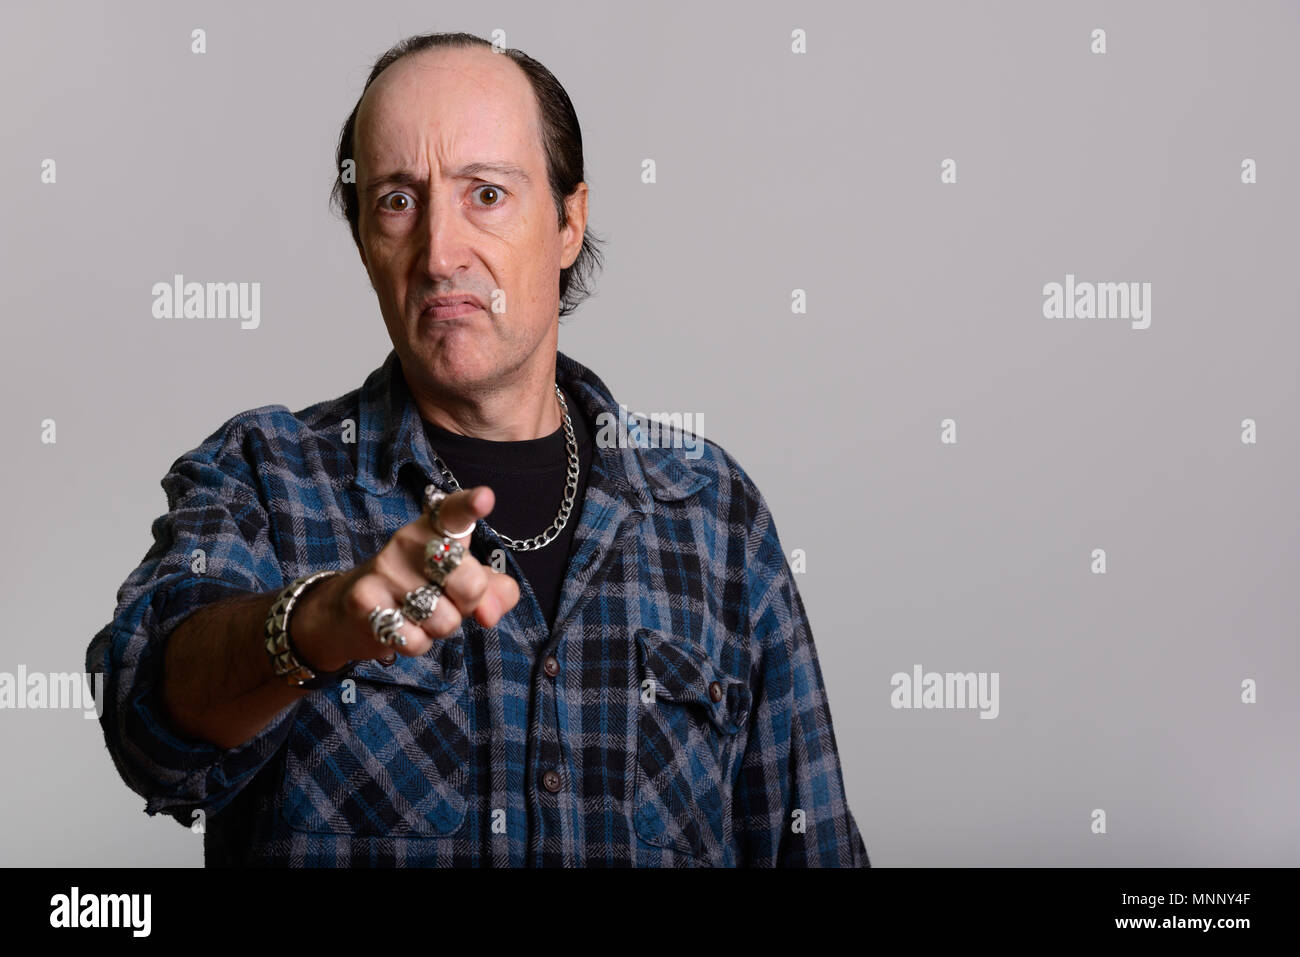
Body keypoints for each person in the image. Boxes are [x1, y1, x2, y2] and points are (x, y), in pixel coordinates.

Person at [87, 31, 869, 867]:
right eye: (397, 200)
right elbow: (146, 724)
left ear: (569, 222)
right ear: (362, 238)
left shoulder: (715, 516)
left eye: (486, 195)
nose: (439, 252)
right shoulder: (265, 474)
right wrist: (314, 625)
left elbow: (809, 843)